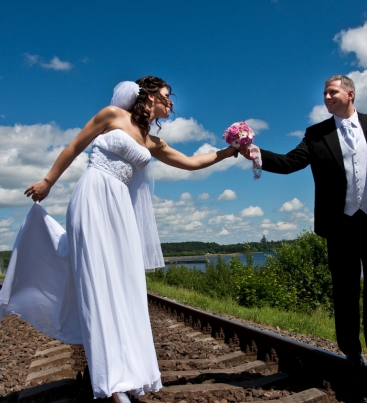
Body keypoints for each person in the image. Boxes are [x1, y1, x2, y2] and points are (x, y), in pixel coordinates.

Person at [0, 76, 236, 399]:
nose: (171, 103)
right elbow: (74, 146)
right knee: (99, 284)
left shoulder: (153, 143)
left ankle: (131, 373)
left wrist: (227, 152)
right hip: (93, 196)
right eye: (167, 96)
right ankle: (112, 384)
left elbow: (193, 163)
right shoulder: (112, 115)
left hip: (120, 208)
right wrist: (48, 181)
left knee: (126, 288)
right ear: (149, 96)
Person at [242, 75, 367, 375]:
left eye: (332, 92)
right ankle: (351, 351)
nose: (327, 97)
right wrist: (257, 154)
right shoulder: (316, 134)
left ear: (350, 94)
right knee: (344, 290)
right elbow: (292, 162)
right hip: (339, 223)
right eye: (324, 94)